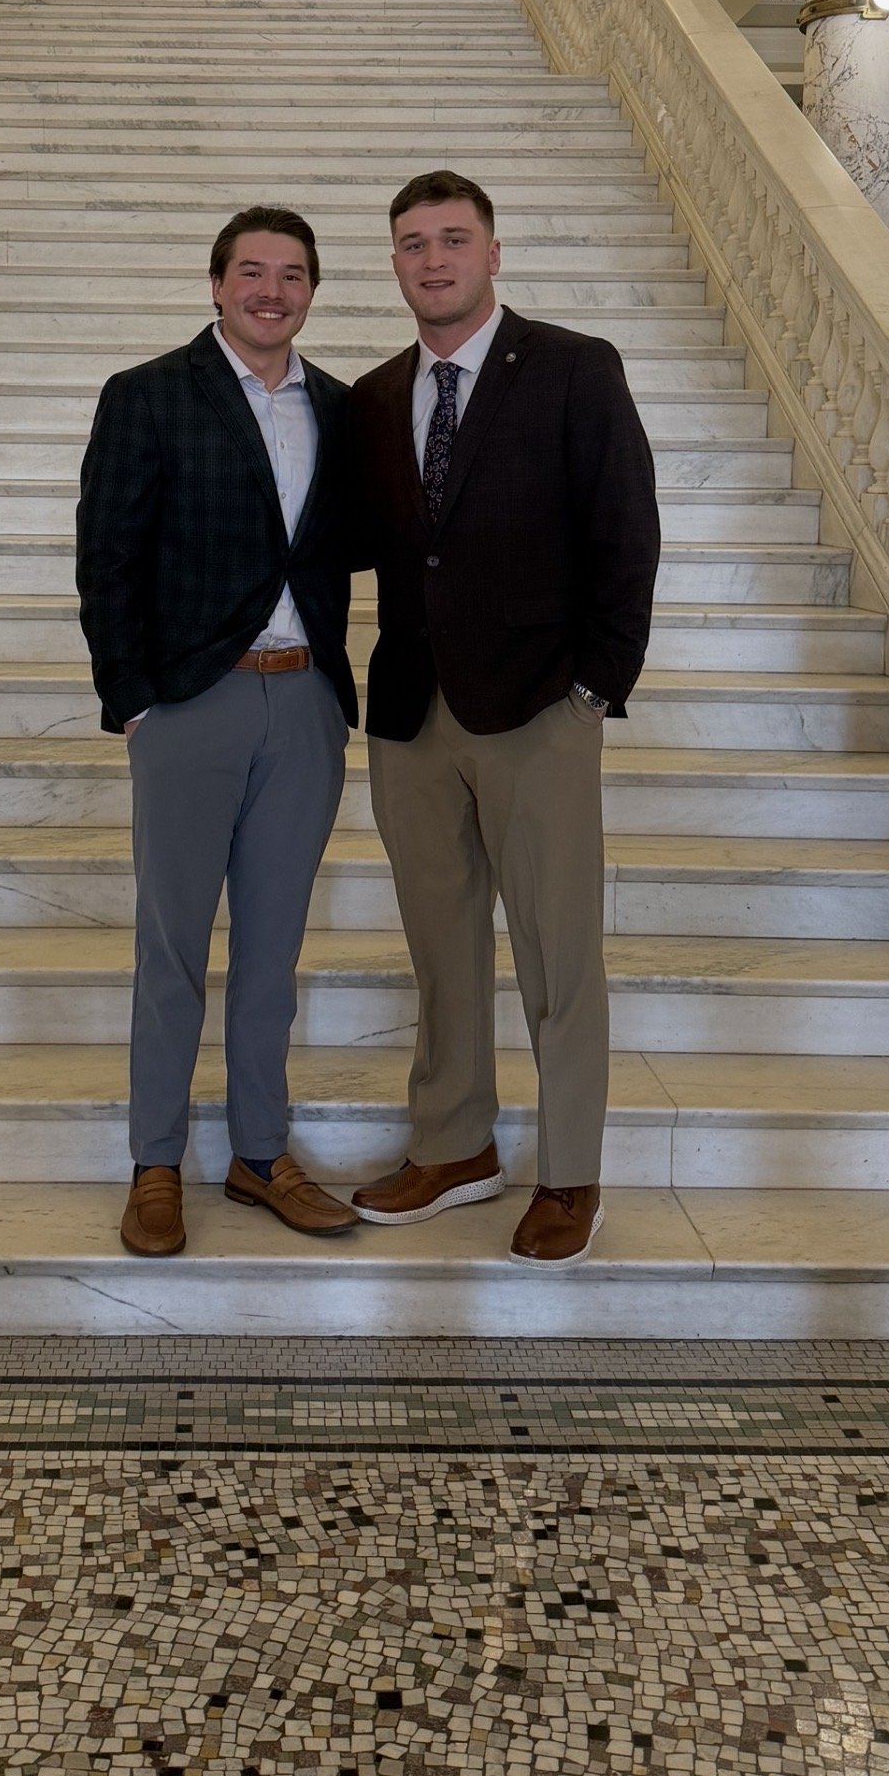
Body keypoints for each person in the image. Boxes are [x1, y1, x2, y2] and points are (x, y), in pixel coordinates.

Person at [348, 171, 660, 1266]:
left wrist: (594, 687)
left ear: (493, 252)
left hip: (539, 708)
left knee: (557, 950)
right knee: (441, 948)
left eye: (452, 239)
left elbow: (627, 531)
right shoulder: (378, 395)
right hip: (411, 715)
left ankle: (569, 1172)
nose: (432, 259)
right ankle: (455, 1145)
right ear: (393, 263)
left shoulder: (574, 368)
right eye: (411, 244)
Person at [76, 206, 359, 1259]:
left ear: (312, 291)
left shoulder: (341, 406)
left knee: (275, 951)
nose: (271, 289)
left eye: (292, 274)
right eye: (252, 271)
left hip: (306, 704)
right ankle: (157, 1161)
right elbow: (105, 557)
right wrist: (137, 700)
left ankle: (258, 1153)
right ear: (216, 283)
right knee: (172, 948)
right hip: (192, 703)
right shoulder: (148, 394)